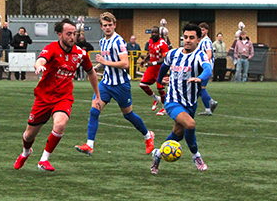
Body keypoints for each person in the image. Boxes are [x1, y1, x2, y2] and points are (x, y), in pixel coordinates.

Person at [14, 18, 102, 172]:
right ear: (59, 34)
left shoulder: (81, 54)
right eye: (69, 34)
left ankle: (44, 160)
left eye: (74, 34)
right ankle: (26, 152)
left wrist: (97, 96)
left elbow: (91, 72)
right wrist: (39, 66)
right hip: (44, 97)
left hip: (63, 97)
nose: (72, 37)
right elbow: (41, 60)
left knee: (60, 124)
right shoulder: (52, 48)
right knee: (29, 135)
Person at [75, 12, 154, 157]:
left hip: (121, 85)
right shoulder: (102, 41)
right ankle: (90, 145)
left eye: (110, 25)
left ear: (115, 25)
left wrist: (105, 62)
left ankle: (148, 136)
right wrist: (98, 67)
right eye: (105, 25)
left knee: (128, 115)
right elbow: (107, 59)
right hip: (106, 83)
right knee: (94, 111)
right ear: (101, 27)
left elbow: (125, 64)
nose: (108, 28)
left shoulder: (119, 41)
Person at [150, 23, 212, 174]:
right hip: (173, 101)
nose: (188, 40)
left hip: (190, 103)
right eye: (185, 37)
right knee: (190, 125)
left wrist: (200, 78)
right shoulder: (173, 54)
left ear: (198, 40)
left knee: (178, 134)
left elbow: (208, 69)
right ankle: (196, 157)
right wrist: (160, 79)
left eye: (192, 37)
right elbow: (164, 67)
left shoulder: (200, 55)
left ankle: (158, 154)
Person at [139, 26, 168, 116]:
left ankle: (164, 108)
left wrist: (153, 63)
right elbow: (151, 52)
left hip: (160, 68)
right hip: (152, 68)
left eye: (156, 32)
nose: (154, 34)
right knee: (142, 84)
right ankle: (156, 98)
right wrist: (145, 60)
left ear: (159, 33)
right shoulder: (150, 41)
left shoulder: (162, 43)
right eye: (153, 32)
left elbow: (165, 58)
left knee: (161, 89)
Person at [197, 22, 218, 115]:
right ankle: (210, 104)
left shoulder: (207, 41)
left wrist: (205, 66)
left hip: (205, 68)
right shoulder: (201, 41)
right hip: (203, 67)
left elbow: (209, 54)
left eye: (203, 30)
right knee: (199, 88)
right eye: (200, 30)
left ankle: (209, 107)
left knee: (201, 88)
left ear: (207, 31)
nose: (201, 31)